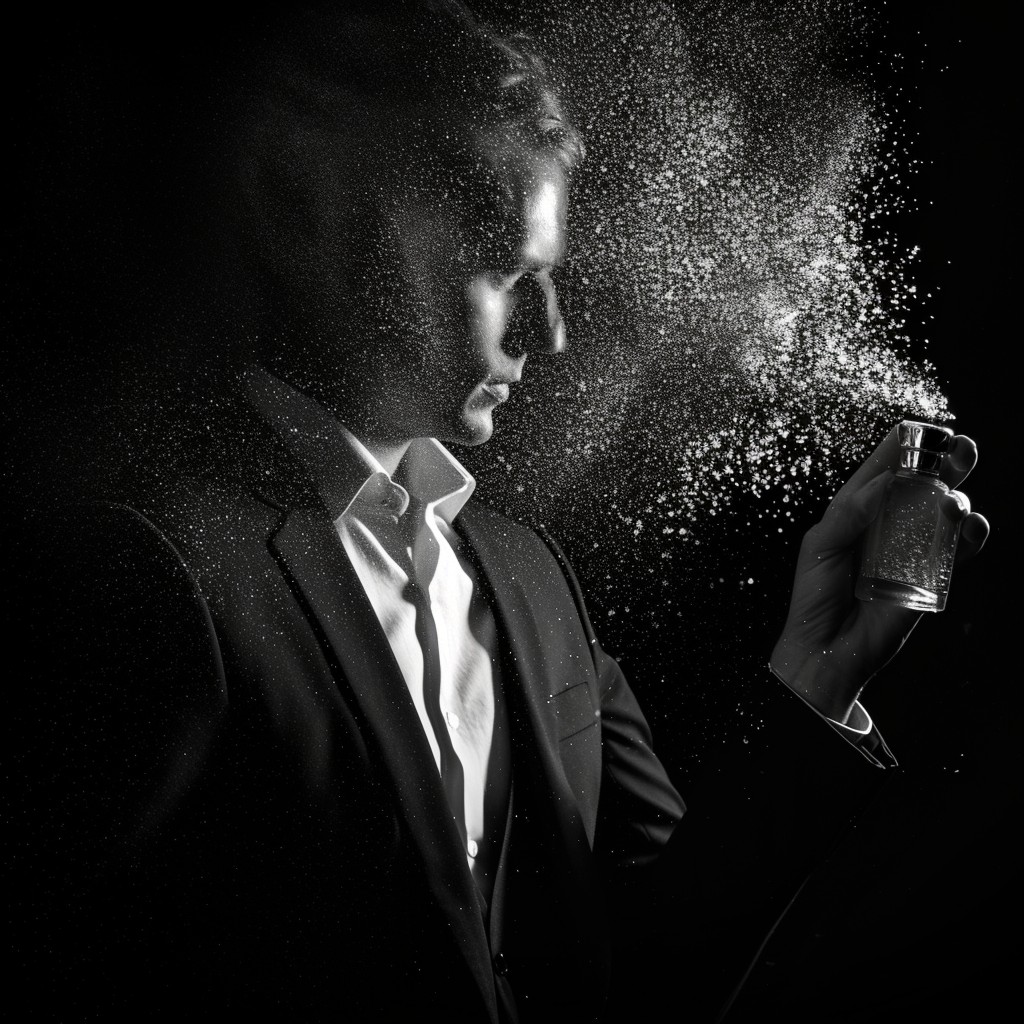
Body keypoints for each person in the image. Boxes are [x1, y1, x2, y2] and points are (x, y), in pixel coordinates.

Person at [5, 2, 989, 1021]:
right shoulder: (164, 571)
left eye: (550, 277)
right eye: (505, 270)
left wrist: (819, 672)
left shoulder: (530, 578)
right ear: (328, 223)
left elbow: (645, 973)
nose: (549, 333)